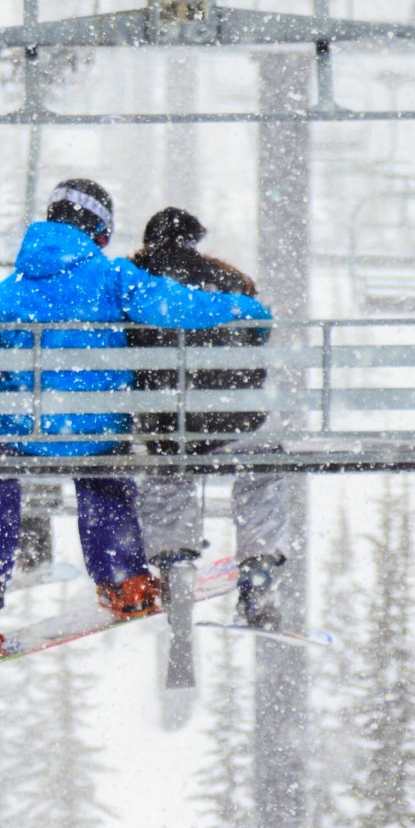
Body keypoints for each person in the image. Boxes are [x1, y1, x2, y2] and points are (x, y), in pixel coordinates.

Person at [0, 179, 271, 665]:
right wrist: (244, 309)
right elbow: (175, 308)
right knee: (105, 471)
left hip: (28, 430)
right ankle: (121, 577)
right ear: (100, 233)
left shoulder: (7, 291)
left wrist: (11, 404)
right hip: (98, 430)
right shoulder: (114, 278)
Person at [126, 206, 295, 626]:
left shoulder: (133, 284)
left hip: (167, 422)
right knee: (262, 468)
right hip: (235, 419)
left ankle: (174, 566)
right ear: (195, 241)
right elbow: (261, 333)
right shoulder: (233, 283)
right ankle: (257, 576)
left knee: (168, 466)